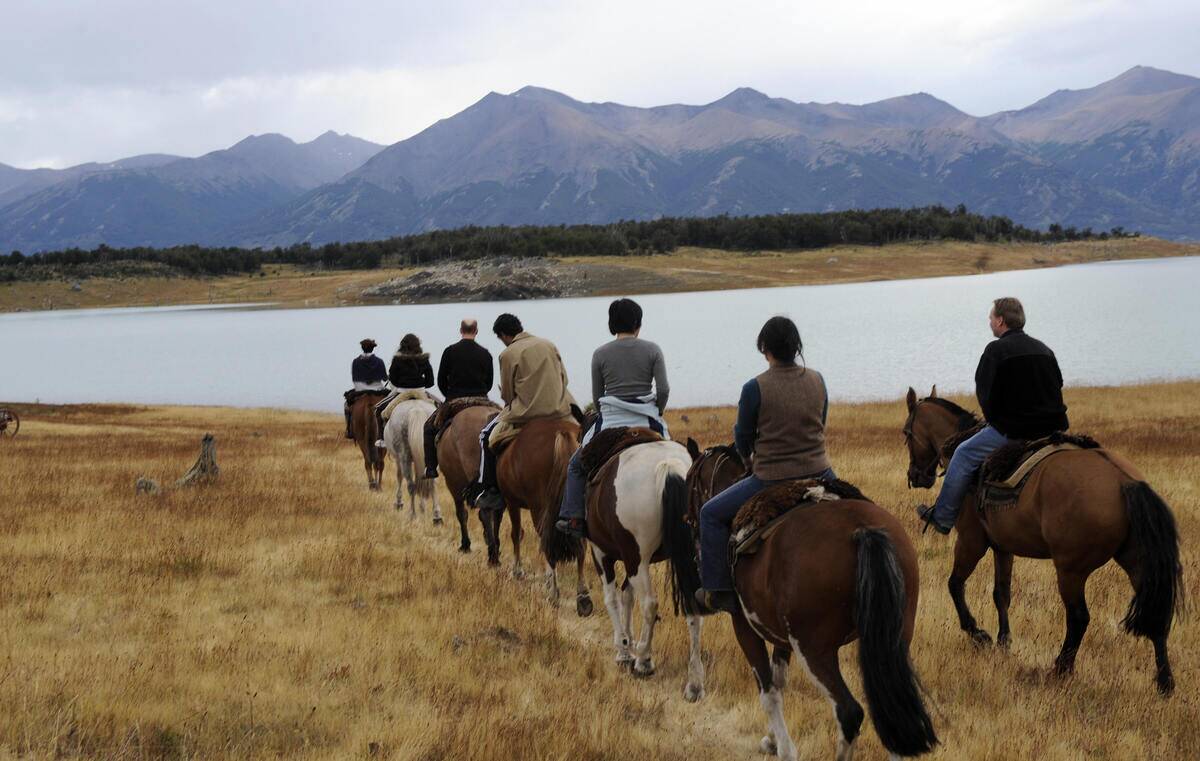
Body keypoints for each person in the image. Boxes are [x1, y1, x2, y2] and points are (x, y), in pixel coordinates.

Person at [696, 316, 835, 614]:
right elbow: (820, 422)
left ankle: (719, 591)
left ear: (764, 348)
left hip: (771, 478)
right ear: (796, 347)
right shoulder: (818, 379)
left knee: (709, 514)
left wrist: (749, 460)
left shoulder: (754, 387)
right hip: (822, 473)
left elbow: (743, 436)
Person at [915, 297, 1068, 534]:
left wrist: (995, 421)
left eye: (990, 318)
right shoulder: (1044, 349)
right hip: (1053, 430)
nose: (989, 321)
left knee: (963, 454)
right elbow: (1057, 384)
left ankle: (943, 518)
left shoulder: (995, 350)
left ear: (1000, 321)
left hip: (1015, 431)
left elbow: (985, 393)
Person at [555, 298, 669, 539]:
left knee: (576, 465)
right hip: (648, 419)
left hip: (611, 423)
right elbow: (664, 389)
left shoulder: (600, 354)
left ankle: (573, 517)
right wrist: (657, 410)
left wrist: (604, 410)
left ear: (612, 324)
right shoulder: (653, 349)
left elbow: (597, 397)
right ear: (638, 323)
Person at [473, 313, 576, 513]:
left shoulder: (508, 354)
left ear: (503, 335)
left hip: (525, 413)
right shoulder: (548, 344)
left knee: (485, 435)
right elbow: (564, 378)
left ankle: (490, 489)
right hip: (560, 409)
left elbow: (508, 395)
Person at [422, 319, 495, 478]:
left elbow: (441, 379)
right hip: (482, 398)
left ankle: (431, 468)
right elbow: (489, 382)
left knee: (429, 428)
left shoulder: (450, 351)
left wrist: (449, 396)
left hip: (455, 399)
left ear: (460, 330)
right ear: (476, 330)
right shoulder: (485, 353)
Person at [373, 334, 435, 448]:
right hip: (421, 392)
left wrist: (403, 384)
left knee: (378, 409)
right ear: (418, 345)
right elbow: (430, 381)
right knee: (440, 408)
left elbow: (393, 379)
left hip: (401, 393)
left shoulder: (397, 359)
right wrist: (420, 384)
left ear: (402, 345)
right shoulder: (424, 359)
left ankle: (382, 439)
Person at [344, 338, 387, 438]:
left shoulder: (355, 362)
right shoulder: (379, 361)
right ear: (373, 349)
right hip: (377, 389)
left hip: (360, 389)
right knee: (390, 405)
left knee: (347, 405)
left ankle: (349, 429)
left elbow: (354, 378)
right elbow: (384, 378)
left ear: (362, 348)